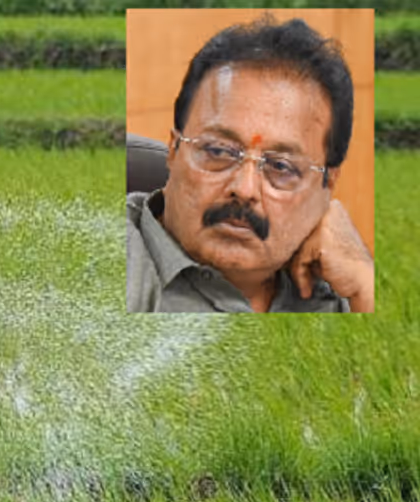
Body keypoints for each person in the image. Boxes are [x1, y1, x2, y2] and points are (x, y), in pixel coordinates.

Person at [127, 16, 374, 313]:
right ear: (174, 149)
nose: (244, 189)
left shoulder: (344, 290)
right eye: (219, 150)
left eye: (281, 167)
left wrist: (365, 290)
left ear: (327, 186)